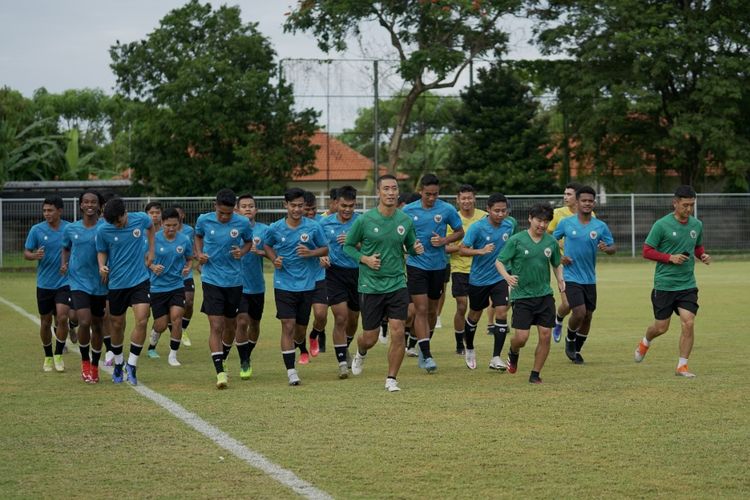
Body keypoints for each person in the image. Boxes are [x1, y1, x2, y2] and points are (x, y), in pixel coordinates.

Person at [344, 174, 424, 392]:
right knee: (369, 338)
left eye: (394, 189)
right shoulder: (364, 220)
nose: (390, 193)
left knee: (398, 331)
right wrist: (366, 259)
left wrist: (416, 249)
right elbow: (348, 247)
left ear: (398, 192)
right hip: (370, 286)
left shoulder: (405, 220)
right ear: (378, 192)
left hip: (397, 283)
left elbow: (409, 246)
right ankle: (360, 352)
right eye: (386, 189)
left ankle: (391, 379)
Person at [634, 185, 710, 378]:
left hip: (687, 284)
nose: (689, 209)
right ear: (675, 203)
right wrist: (670, 258)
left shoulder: (696, 225)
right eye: (685, 205)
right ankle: (645, 341)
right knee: (661, 327)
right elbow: (647, 251)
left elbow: (697, 247)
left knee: (688, 322)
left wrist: (702, 256)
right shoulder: (661, 225)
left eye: (692, 205)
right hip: (665, 284)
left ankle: (682, 366)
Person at [263, 188, 328, 386]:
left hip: (307, 285)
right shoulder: (275, 228)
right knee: (288, 325)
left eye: (300, 205)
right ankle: (291, 371)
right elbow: (266, 245)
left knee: (300, 329)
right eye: (293, 206)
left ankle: (304, 344)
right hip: (283, 284)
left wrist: (311, 254)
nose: (297, 209)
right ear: (286, 205)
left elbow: (325, 248)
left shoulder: (313, 227)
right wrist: (275, 259)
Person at [496, 203, 564, 384]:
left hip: (544, 295)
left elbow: (557, 263)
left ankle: (535, 373)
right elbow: (500, 261)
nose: (542, 225)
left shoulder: (551, 242)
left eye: (546, 222)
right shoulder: (517, 240)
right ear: (530, 219)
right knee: (521, 338)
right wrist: (507, 277)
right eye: (539, 220)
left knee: (545, 335)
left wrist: (560, 279)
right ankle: (513, 351)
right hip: (522, 296)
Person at [402, 174, 463, 373]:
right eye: (428, 194)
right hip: (416, 265)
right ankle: (427, 354)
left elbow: (459, 231)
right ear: (421, 192)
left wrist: (445, 241)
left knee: (431, 311)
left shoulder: (446, 209)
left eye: (435, 194)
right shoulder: (409, 210)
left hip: (438, 266)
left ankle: (422, 346)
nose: (431, 198)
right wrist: (410, 246)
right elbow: (399, 233)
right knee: (420, 308)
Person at [194, 189, 253, 389]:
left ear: (234, 210)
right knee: (216, 326)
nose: (225, 217)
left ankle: (224, 356)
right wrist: (199, 254)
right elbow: (198, 237)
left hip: (234, 281)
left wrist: (242, 252)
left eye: (229, 213)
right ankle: (220, 372)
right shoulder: (204, 220)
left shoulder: (242, 223)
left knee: (231, 326)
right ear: (215, 206)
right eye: (221, 213)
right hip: (211, 279)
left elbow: (248, 242)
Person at [553, 186, 616, 364]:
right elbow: (551, 240)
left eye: (590, 201)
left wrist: (607, 249)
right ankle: (570, 339)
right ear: (578, 202)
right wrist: (560, 256)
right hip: (571, 276)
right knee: (579, 312)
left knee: (588, 315)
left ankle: (577, 349)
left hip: (590, 278)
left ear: (594, 203)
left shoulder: (600, 226)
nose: (587, 203)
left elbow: (613, 247)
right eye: (584, 201)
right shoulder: (566, 223)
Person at [96, 197, 155, 385]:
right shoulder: (103, 229)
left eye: (119, 221)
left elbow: (152, 226)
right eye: (113, 223)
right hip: (117, 284)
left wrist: (151, 251)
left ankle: (132, 364)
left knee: (143, 319)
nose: (117, 225)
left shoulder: (140, 219)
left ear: (125, 213)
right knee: (117, 325)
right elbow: (101, 250)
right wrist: (101, 266)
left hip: (140, 280)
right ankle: (119, 363)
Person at [459, 193, 518, 370]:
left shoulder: (510, 224)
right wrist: (480, 251)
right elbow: (462, 250)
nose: (500, 214)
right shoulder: (477, 228)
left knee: (501, 312)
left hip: (500, 277)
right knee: (474, 315)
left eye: (503, 211)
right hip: (479, 279)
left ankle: (496, 357)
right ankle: (469, 347)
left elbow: (513, 246)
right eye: (496, 211)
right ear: (488, 210)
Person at [61, 190, 107, 382]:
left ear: (99, 206)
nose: (90, 205)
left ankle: (95, 366)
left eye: (93, 202)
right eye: (86, 202)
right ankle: (85, 361)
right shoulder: (71, 229)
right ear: (80, 205)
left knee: (97, 326)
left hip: (100, 283)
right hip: (78, 281)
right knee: (85, 321)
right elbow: (66, 247)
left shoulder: (106, 227)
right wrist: (64, 263)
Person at [24, 196, 72, 373]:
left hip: (64, 281)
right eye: (44, 210)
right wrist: (34, 255)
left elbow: (76, 250)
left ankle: (59, 355)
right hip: (44, 283)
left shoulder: (69, 229)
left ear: (59, 211)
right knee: (45, 322)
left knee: (62, 317)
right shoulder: (36, 230)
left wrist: (69, 264)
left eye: (50, 210)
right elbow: (26, 253)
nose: (47, 213)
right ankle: (48, 356)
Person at [320, 185, 360, 378]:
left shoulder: (362, 222)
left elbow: (372, 245)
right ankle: (343, 363)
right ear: (337, 204)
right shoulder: (324, 224)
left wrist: (355, 242)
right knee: (341, 317)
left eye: (351, 206)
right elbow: (316, 245)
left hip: (358, 274)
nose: (347, 209)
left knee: (353, 320)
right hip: (334, 274)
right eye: (343, 205)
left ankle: (345, 348)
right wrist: (321, 257)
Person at [145, 208, 193, 366]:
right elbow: (144, 260)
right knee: (161, 324)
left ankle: (173, 355)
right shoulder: (153, 239)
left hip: (177, 286)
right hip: (157, 288)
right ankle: (152, 346)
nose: (171, 228)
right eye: (167, 225)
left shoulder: (185, 239)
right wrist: (152, 267)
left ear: (179, 223)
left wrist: (187, 267)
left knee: (177, 319)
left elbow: (189, 258)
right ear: (161, 223)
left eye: (174, 225)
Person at [445, 184, 487, 355]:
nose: (467, 201)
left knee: (476, 308)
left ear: (474, 199)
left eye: (470, 198)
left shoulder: (484, 217)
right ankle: (459, 343)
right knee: (462, 306)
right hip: (459, 268)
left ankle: (468, 337)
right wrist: (462, 247)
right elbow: (445, 247)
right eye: (463, 198)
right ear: (458, 200)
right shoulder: (452, 219)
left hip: (480, 269)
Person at [234, 194, 268, 380]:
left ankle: (247, 352)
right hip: (238, 285)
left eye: (251, 206)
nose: (248, 209)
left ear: (256, 210)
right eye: (244, 206)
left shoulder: (264, 230)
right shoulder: (233, 229)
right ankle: (244, 360)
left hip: (257, 286)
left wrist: (261, 252)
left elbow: (275, 253)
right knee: (242, 321)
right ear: (237, 210)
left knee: (254, 324)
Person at [548, 182, 583, 343]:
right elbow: (547, 236)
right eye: (565, 193)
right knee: (568, 303)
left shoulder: (589, 214)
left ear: (578, 197)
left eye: (569, 194)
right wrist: (557, 254)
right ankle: (559, 320)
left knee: (581, 308)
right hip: (562, 263)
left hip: (581, 266)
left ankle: (568, 329)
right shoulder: (557, 214)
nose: (565, 197)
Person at [303, 190, 328, 359]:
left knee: (321, 314)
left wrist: (325, 256)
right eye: (307, 209)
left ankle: (314, 336)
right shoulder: (291, 225)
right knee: (298, 321)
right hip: (297, 280)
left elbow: (328, 245)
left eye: (314, 209)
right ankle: (302, 349)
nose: (311, 213)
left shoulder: (322, 223)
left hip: (319, 276)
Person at [174, 205, 196, 347]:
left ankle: (183, 329)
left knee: (189, 302)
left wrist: (195, 263)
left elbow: (193, 250)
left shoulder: (189, 230)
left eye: (179, 213)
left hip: (186, 273)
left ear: (183, 215)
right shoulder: (164, 232)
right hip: (170, 275)